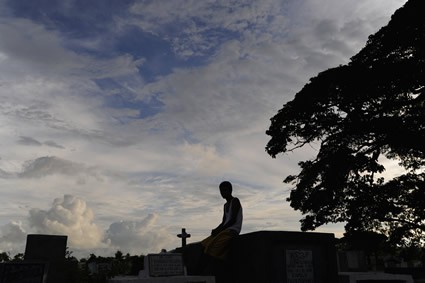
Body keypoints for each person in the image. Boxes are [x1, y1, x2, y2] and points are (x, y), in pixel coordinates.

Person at [201, 181, 243, 261]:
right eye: (221, 191)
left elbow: (232, 220)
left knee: (211, 246)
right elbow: (224, 222)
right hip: (225, 230)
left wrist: (220, 230)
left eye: (224, 190)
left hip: (232, 230)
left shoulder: (235, 201)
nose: (222, 193)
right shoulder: (225, 205)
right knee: (204, 243)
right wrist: (216, 229)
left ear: (230, 190)